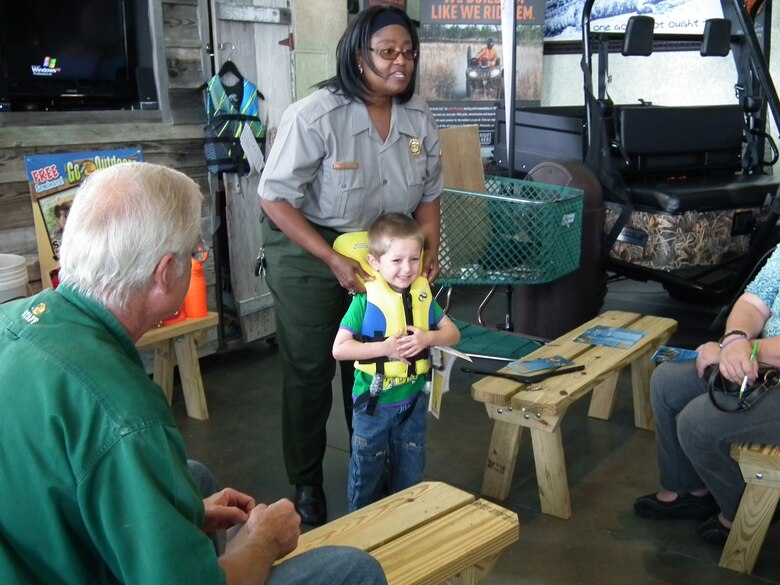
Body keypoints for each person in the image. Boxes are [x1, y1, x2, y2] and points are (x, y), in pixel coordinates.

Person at [0, 162, 387, 585]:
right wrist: (262, 541)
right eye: (195, 251)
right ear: (166, 274)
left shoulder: (12, 318)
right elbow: (114, 436)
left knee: (194, 477)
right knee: (354, 570)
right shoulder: (124, 414)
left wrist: (181, 514)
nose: (197, 257)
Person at [258, 6, 443, 525]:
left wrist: (428, 254)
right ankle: (306, 484)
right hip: (309, 248)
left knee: (377, 360)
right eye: (387, 52)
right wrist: (329, 257)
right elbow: (274, 199)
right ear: (358, 55)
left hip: (384, 253)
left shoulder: (418, 118)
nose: (400, 63)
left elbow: (428, 196)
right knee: (313, 367)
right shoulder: (314, 115)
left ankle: (371, 463)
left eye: (407, 52)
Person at [634, 245, 780, 547]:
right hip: (763, 362)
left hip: (765, 361)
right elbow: (754, 302)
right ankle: (687, 491)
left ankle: (745, 509)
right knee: (669, 381)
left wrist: (745, 350)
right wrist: (735, 338)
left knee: (699, 422)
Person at [332, 214, 459, 511]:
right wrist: (385, 348)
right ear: (375, 262)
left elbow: (452, 334)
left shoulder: (423, 295)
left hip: (412, 402)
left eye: (414, 259)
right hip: (374, 404)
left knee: (411, 470)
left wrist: (427, 338)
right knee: (367, 472)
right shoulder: (364, 301)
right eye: (397, 260)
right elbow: (340, 349)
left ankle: (405, 523)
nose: (407, 269)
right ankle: (360, 531)